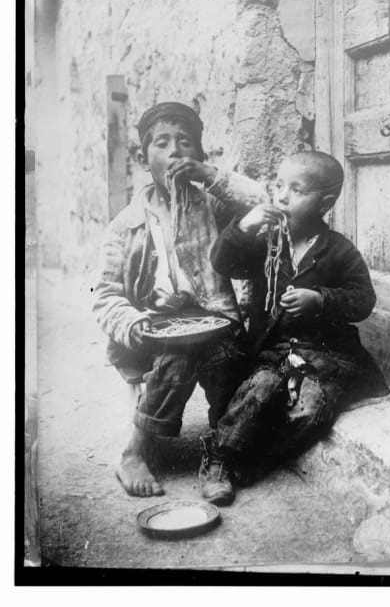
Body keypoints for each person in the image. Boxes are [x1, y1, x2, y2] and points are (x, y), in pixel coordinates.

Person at [93, 101, 267, 503]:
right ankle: (134, 452)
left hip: (214, 321)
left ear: (199, 155)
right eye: (162, 143)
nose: (175, 151)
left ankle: (219, 452)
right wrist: (134, 324)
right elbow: (104, 295)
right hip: (154, 329)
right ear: (142, 157)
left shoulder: (212, 205)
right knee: (176, 357)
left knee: (225, 361)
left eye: (185, 143)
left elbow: (260, 200)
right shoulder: (127, 225)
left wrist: (211, 177)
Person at [208, 150, 389, 503]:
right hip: (275, 351)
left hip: (327, 357)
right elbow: (223, 262)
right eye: (279, 185)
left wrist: (320, 299)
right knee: (256, 393)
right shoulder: (266, 242)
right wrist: (244, 226)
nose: (283, 196)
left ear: (326, 202)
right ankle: (219, 459)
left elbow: (362, 299)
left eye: (297, 189)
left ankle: (259, 461)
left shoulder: (338, 250)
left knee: (311, 410)